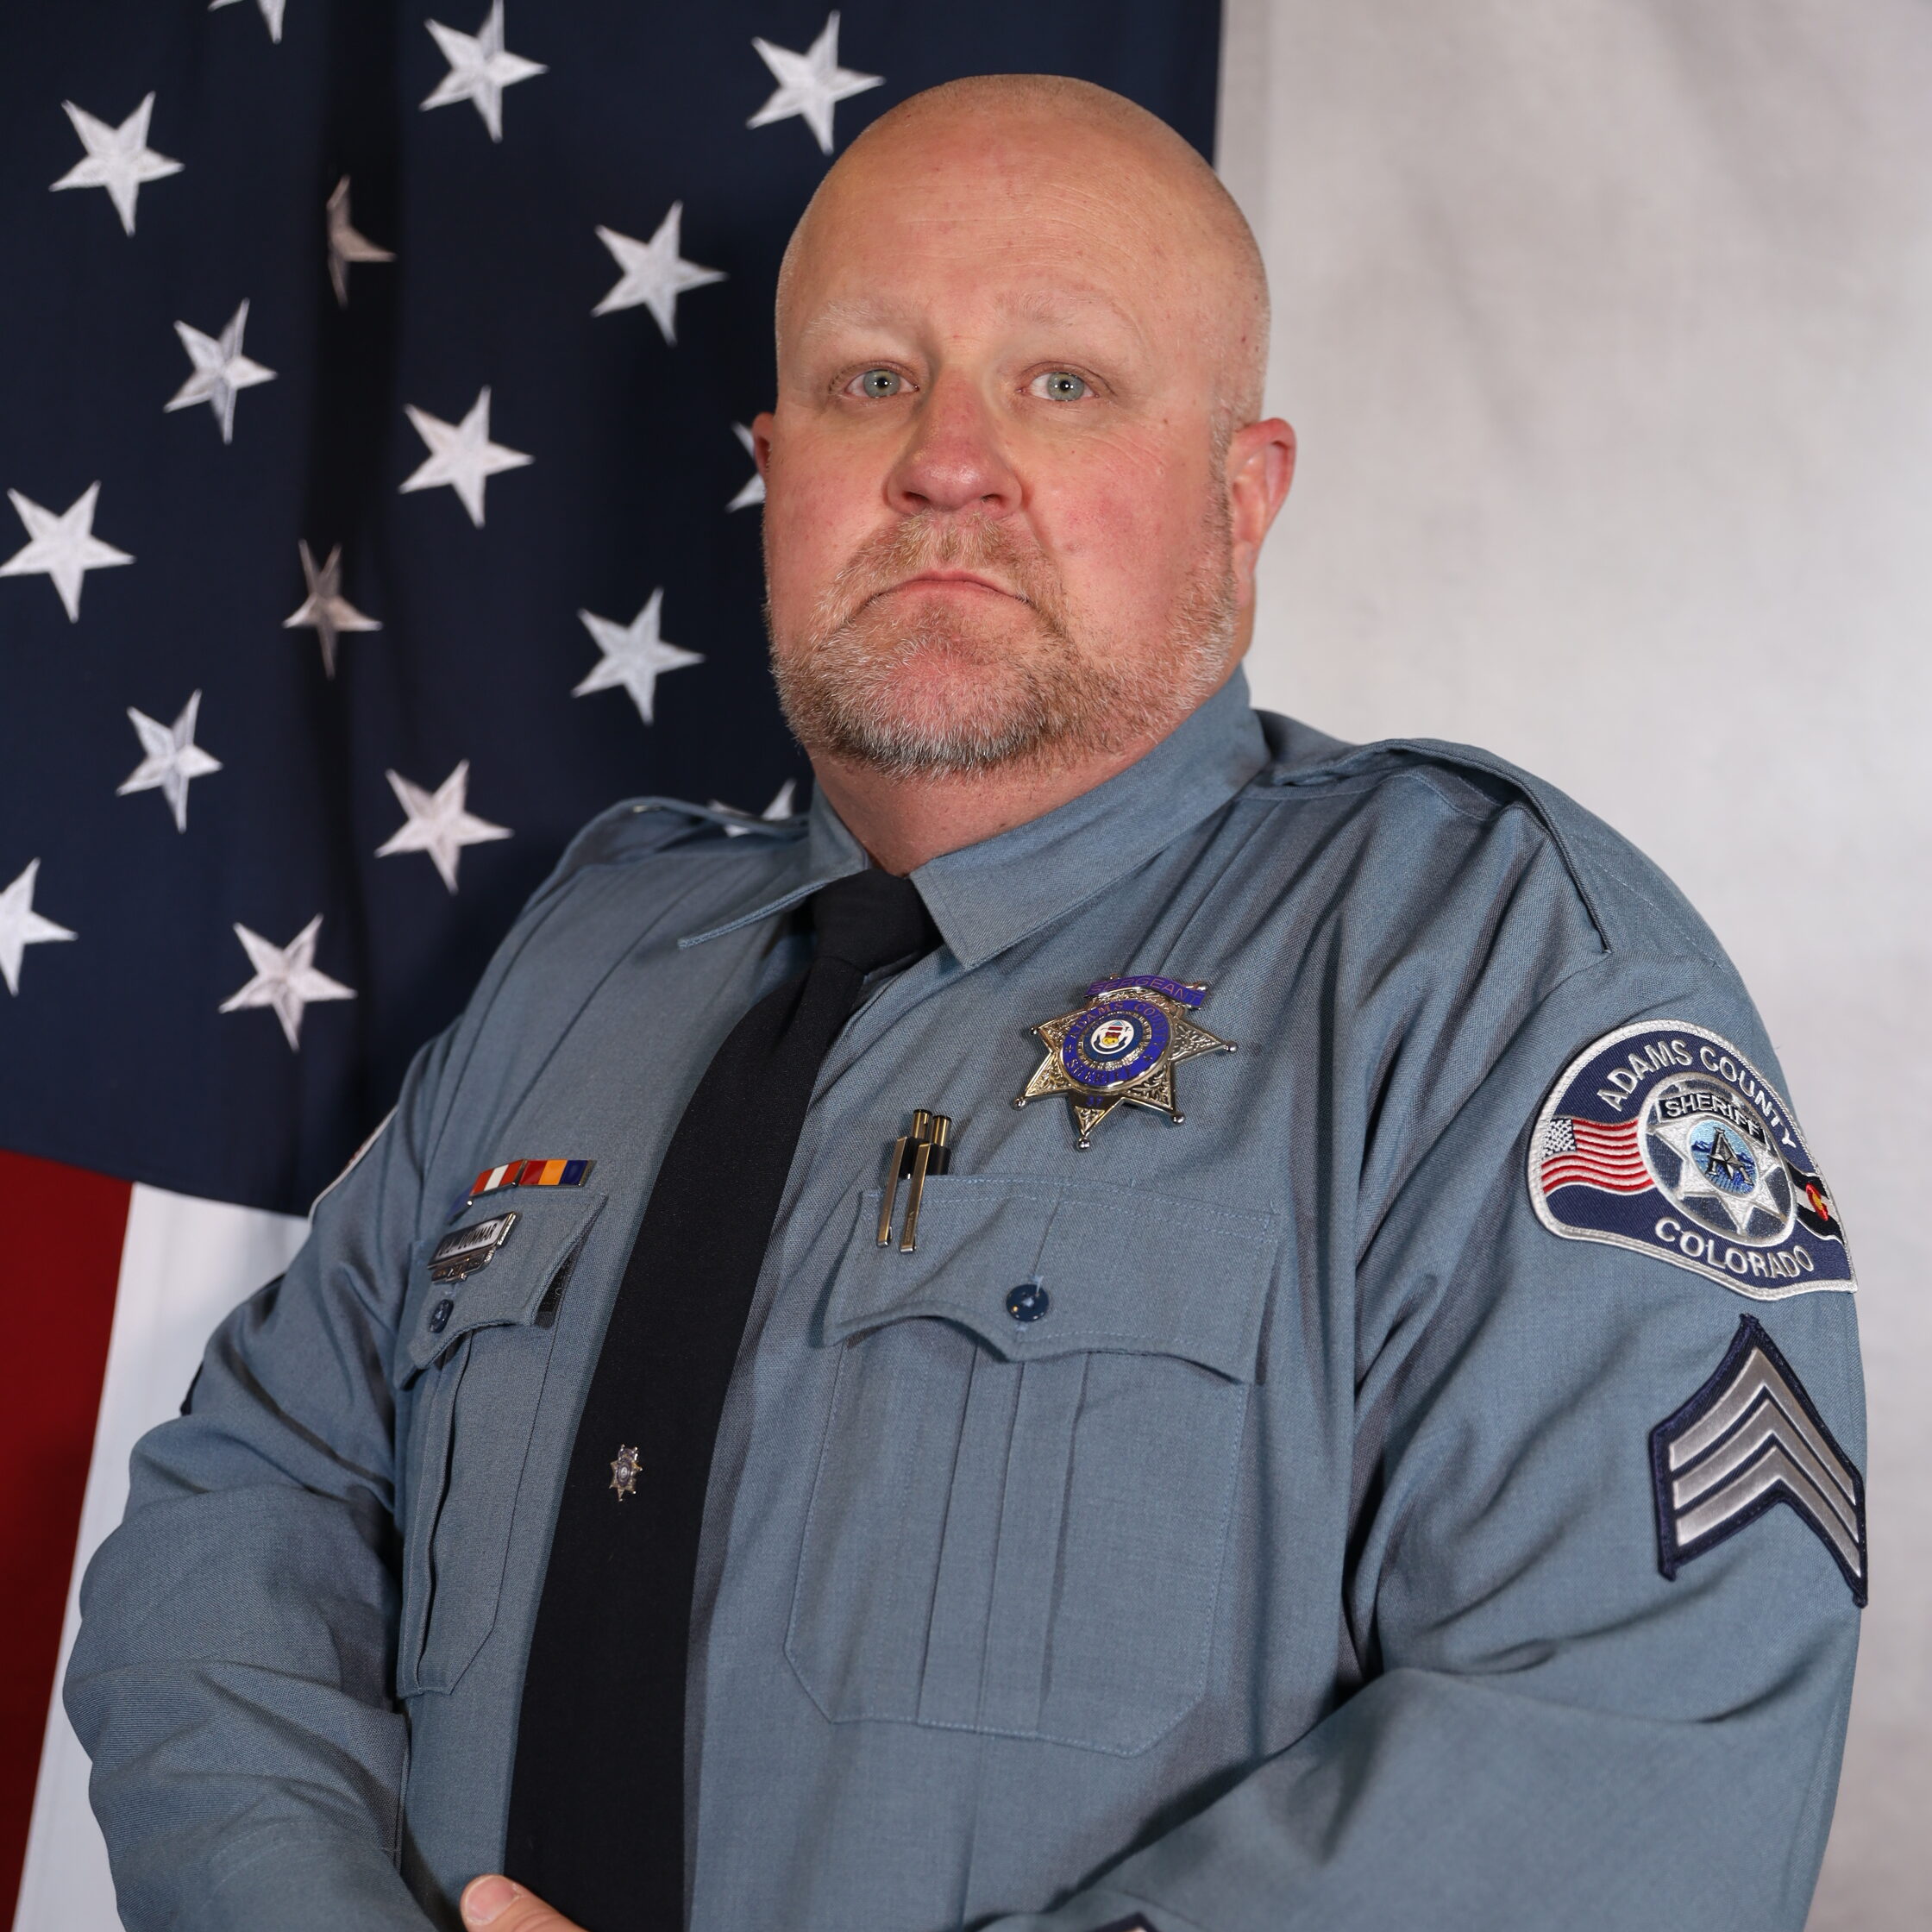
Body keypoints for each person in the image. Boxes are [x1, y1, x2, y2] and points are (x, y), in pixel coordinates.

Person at [68, 73, 1864, 1932]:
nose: (945, 457)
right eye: (869, 380)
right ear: (775, 471)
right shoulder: (593, 950)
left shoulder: (1479, 973)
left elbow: (1636, 1744)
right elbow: (242, 1513)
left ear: (1239, 501)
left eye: (1060, 381)